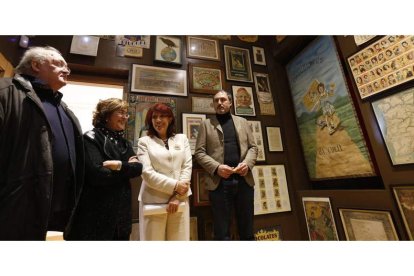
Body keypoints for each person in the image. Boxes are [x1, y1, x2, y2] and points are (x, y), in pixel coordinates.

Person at [0, 46, 84, 240]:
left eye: (67, 67)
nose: (66, 70)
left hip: (56, 209)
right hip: (15, 209)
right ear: (36, 65)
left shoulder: (63, 107)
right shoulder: (5, 92)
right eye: (59, 64)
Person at [65, 98, 142, 240]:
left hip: (121, 216)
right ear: (106, 115)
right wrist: (127, 168)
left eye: (126, 113)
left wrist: (118, 165)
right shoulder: (90, 137)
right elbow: (97, 174)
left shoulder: (124, 143)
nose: (125, 117)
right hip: (95, 215)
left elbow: (138, 169)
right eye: (121, 113)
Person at [195, 90, 258, 240]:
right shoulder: (206, 124)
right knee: (221, 231)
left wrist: (247, 164)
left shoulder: (242, 122)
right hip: (219, 184)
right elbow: (199, 152)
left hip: (244, 181)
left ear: (230, 103)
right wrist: (217, 168)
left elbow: (253, 147)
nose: (219, 103)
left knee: (247, 229)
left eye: (223, 100)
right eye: (216, 100)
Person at [137, 103, 192, 240]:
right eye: (154, 117)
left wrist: (177, 195)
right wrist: (176, 186)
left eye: (162, 116)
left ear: (170, 119)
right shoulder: (144, 142)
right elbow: (147, 174)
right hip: (153, 201)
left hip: (179, 200)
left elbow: (187, 166)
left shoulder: (182, 139)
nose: (158, 120)